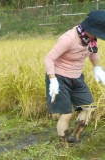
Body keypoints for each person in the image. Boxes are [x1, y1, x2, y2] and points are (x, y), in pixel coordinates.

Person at [45, 10, 105, 146]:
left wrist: (98, 68)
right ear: (89, 28)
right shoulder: (68, 38)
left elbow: (93, 54)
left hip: (77, 78)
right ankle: (63, 145)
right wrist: (52, 80)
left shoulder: (91, 40)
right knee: (66, 115)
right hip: (59, 78)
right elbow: (49, 58)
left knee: (89, 108)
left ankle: (75, 136)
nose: (98, 37)